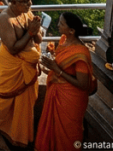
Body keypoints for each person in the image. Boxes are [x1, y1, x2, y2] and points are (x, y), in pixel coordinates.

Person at [35, 13, 94, 151]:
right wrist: (48, 69)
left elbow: (83, 84)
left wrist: (56, 69)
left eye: (61, 24)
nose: (58, 25)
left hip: (71, 99)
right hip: (57, 92)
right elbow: (61, 68)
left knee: (68, 133)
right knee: (52, 128)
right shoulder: (63, 41)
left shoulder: (81, 53)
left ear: (72, 31)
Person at [0, 0, 43, 150]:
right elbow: (13, 48)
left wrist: (36, 30)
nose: (29, 5)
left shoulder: (26, 13)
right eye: (25, 2)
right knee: (5, 99)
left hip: (28, 65)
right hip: (13, 65)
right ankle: (0, 131)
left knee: (25, 104)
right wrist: (30, 33)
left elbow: (39, 40)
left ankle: (19, 136)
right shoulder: (5, 18)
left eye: (30, 1)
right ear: (13, 2)